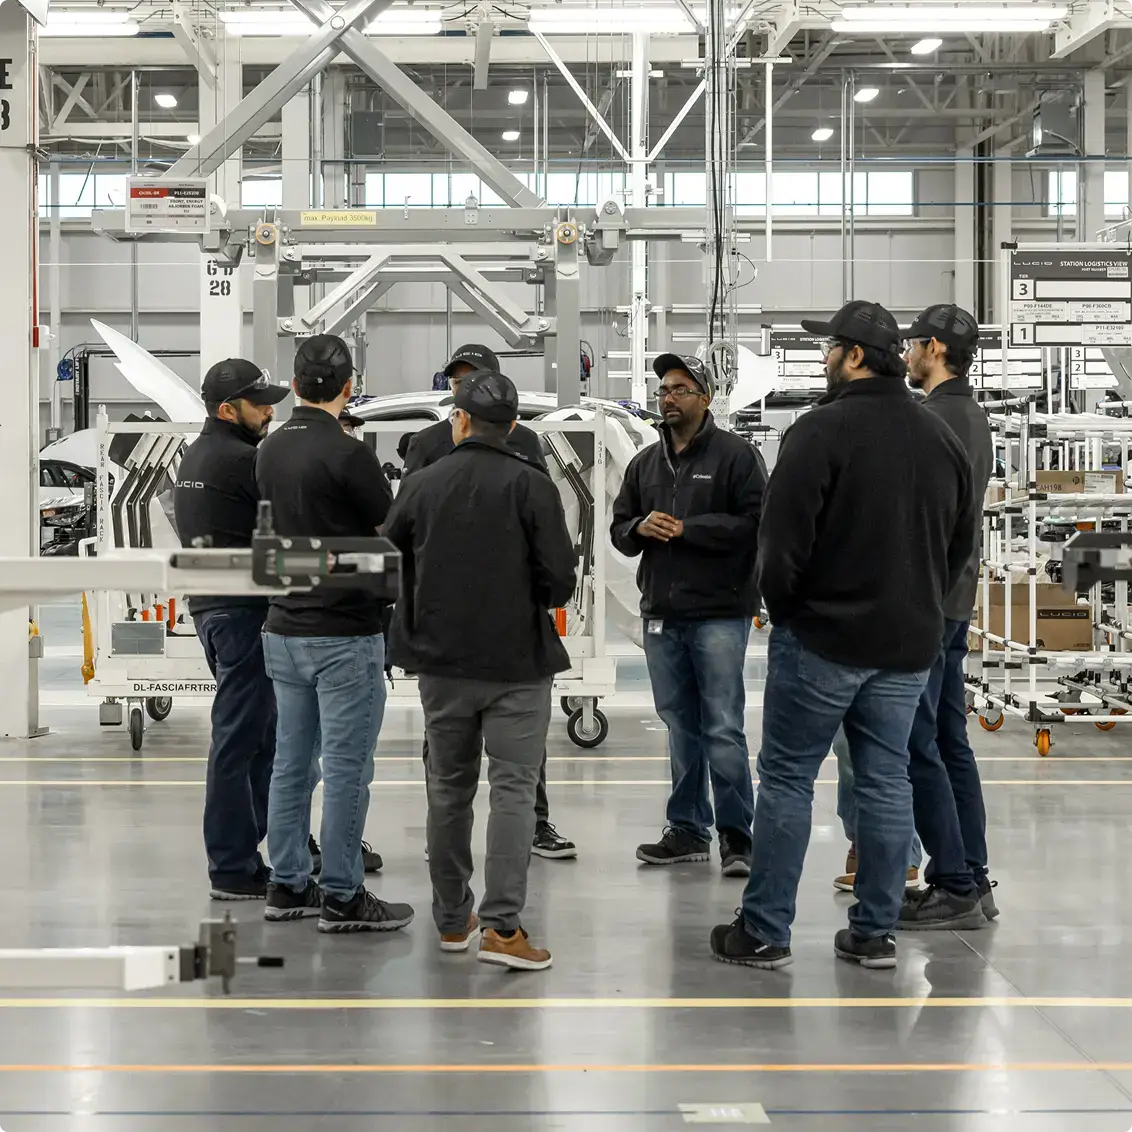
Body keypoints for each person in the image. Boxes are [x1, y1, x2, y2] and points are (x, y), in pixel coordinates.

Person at [709, 300, 976, 971]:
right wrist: (915, 606)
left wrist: (790, 611)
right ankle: (875, 932)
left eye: (830, 348)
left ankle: (765, 929)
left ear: (855, 356)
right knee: (888, 781)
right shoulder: (939, 437)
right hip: (907, 645)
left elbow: (781, 543)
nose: (824, 358)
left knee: (790, 778)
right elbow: (959, 545)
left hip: (824, 641)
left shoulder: (818, 432)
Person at [384, 369, 576, 970]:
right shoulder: (533, 485)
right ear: (514, 424)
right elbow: (560, 580)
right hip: (517, 661)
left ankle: (450, 919)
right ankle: (503, 929)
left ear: (459, 420)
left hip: (441, 663)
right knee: (515, 791)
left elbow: (387, 561)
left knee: (448, 789)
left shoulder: (420, 485)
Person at [256, 334, 413, 933]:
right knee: (347, 768)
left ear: (294, 385)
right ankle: (343, 894)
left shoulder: (268, 450)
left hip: (283, 629)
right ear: (349, 388)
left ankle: (287, 881)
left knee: (290, 763)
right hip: (344, 631)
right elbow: (388, 528)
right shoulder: (350, 454)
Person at [611, 353, 765, 877]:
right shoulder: (644, 463)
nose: (668, 397)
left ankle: (737, 836)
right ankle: (686, 829)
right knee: (680, 724)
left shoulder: (736, 457)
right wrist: (638, 529)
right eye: (663, 390)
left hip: (719, 611)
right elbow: (619, 529)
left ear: (704, 398)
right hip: (662, 611)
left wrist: (688, 529)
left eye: (679, 389)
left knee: (722, 725)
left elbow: (755, 525)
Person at [172, 359, 289, 901]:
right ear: (227, 409)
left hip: (211, 610)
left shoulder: (196, 457)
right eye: (260, 402)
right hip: (243, 613)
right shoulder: (245, 460)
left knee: (254, 736)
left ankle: (248, 849)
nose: (270, 409)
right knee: (241, 739)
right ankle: (233, 868)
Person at [896, 303, 997, 930]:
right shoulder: (974, 415)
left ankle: (954, 882)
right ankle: (975, 874)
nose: (905, 354)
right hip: (956, 599)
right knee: (952, 740)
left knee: (919, 742)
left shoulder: (930, 419)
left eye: (911, 344)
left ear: (933, 348)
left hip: (929, 603)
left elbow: (920, 522)